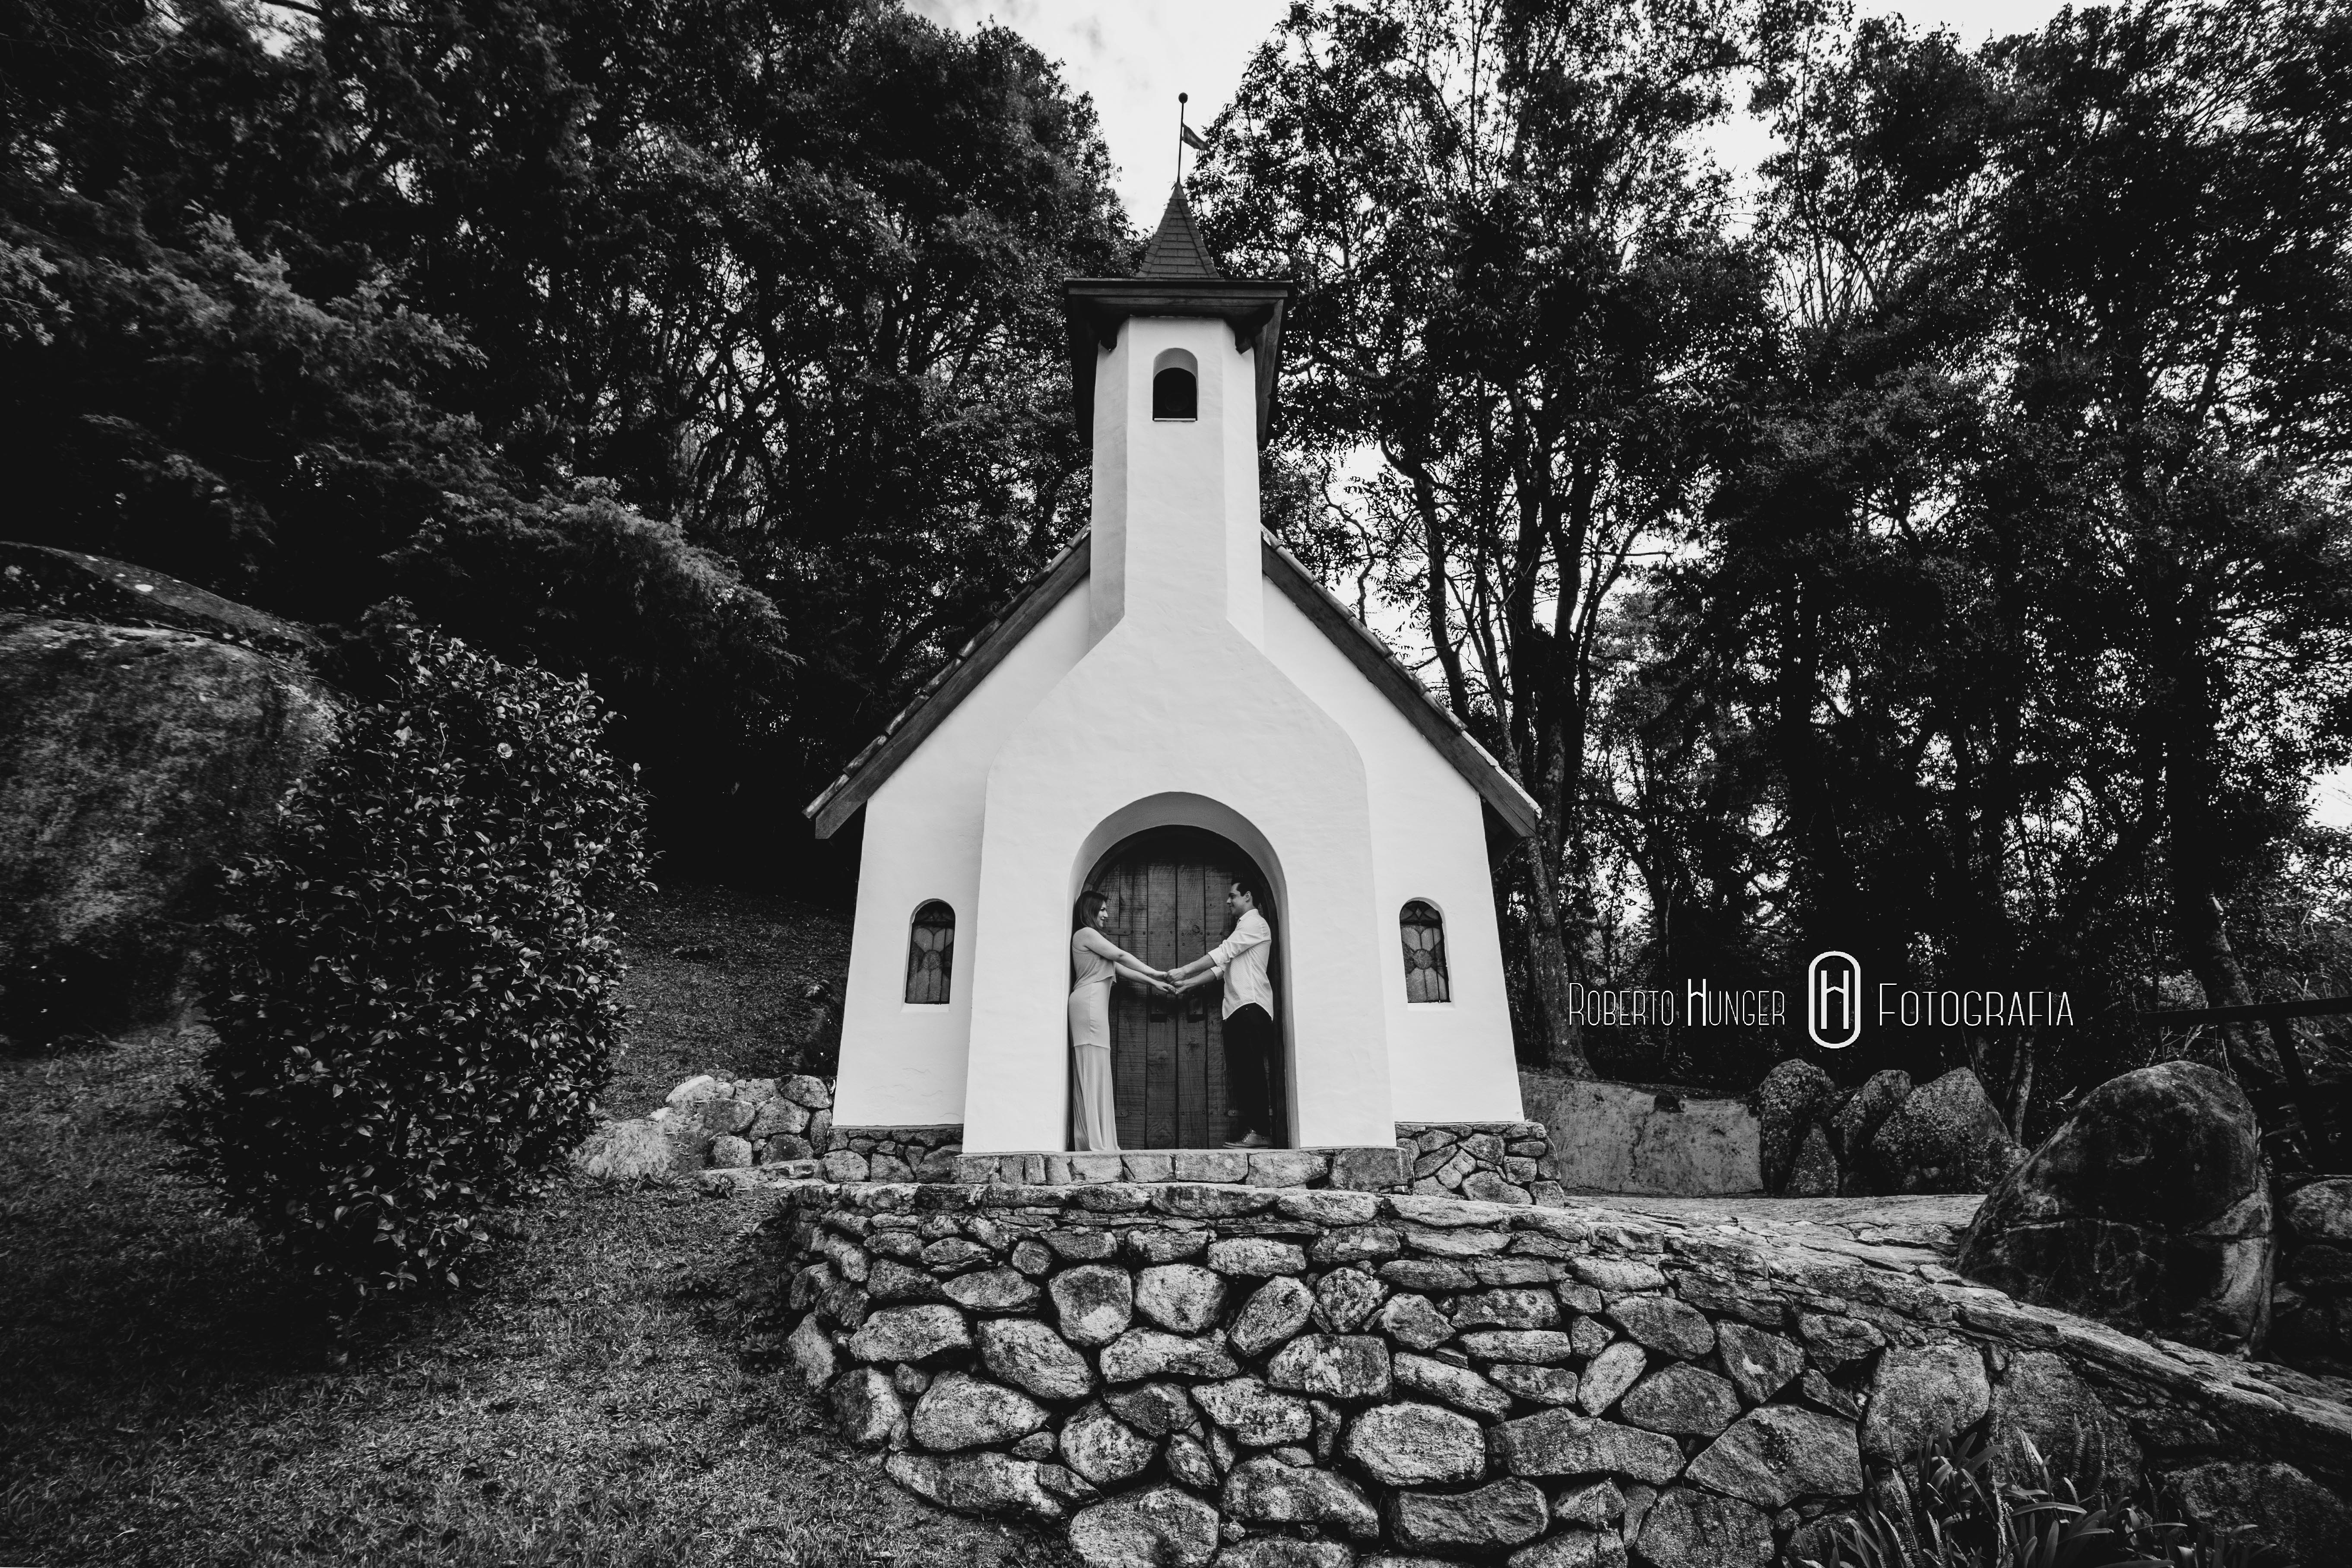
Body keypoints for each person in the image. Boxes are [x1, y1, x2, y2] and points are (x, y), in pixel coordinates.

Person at [1165, 876, 1277, 1148]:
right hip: (1238, 1009)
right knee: (1244, 1073)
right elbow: (1222, 969)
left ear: (1248, 896)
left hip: (1251, 1006)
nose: (1228, 901)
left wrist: (1184, 970)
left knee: (1252, 1072)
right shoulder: (1244, 928)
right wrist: (1187, 985)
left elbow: (1224, 952)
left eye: (1233, 896)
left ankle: (1262, 1132)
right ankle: (1257, 1131)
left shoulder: (1254, 923)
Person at [1070, 891, 1174, 1153]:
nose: (1106, 915)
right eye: (1102, 910)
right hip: (1089, 1005)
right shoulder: (1085, 934)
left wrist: (1153, 983)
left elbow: (1118, 969)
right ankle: (1092, 1142)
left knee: (1097, 1066)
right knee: (1091, 1065)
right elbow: (1121, 957)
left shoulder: (1093, 940)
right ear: (1090, 910)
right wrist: (1155, 971)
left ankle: (1099, 1139)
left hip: (1094, 1005)